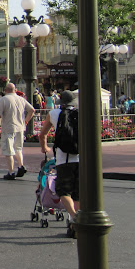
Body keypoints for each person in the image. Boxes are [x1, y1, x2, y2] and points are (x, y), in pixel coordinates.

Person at [39, 90, 79, 238]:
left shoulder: (54, 114)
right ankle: (75, 224)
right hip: (80, 158)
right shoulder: (79, 114)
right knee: (77, 194)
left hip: (63, 160)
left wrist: (45, 148)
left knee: (63, 192)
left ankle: (74, 217)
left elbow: (43, 134)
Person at [0, 83, 35, 179]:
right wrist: (26, 121)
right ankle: (21, 166)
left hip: (9, 127)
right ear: (15, 89)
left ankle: (11, 172)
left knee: (9, 150)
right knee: (18, 148)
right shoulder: (21, 99)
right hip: (20, 127)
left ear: (6, 90)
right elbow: (32, 110)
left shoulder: (3, 100)